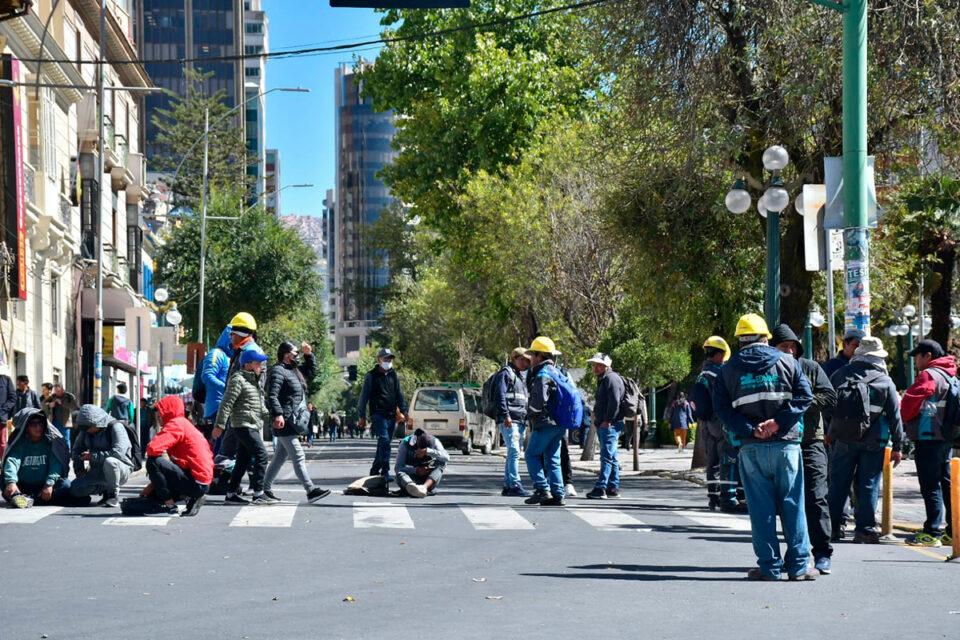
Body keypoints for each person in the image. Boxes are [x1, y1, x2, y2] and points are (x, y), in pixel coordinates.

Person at [714, 313, 816, 581]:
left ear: (739, 339)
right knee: (794, 505)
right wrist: (778, 423)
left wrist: (751, 429)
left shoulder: (727, 369)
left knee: (760, 509)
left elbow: (722, 409)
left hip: (751, 448)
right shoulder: (787, 362)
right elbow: (806, 396)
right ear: (766, 337)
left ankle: (769, 567)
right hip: (787, 446)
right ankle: (799, 567)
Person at [771, 324, 839, 574]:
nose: (788, 351)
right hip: (780, 442)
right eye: (783, 347)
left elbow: (830, 398)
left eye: (792, 347)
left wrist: (800, 401)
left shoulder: (809, 367)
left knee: (816, 495)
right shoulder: (768, 370)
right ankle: (794, 553)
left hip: (811, 441)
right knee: (786, 500)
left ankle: (822, 552)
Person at [826, 336, 903, 548]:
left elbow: (827, 406)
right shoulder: (885, 381)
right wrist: (898, 447)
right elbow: (895, 417)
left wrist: (828, 433)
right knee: (869, 484)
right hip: (874, 441)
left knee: (838, 483)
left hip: (842, 439)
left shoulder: (839, 374)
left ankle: (832, 527)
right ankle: (865, 530)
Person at [900, 338, 956, 547]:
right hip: (945, 436)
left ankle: (932, 532)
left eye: (917, 355)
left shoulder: (928, 375)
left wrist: (906, 417)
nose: (915, 360)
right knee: (946, 484)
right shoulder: (950, 375)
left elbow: (909, 404)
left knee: (930, 485)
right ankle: (952, 531)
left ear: (928, 356)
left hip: (928, 436)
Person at [262, 341, 330, 504]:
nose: (297, 356)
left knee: (279, 458)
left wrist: (309, 355)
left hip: (291, 420)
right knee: (298, 455)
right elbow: (272, 395)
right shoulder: (278, 371)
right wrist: (278, 414)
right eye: (295, 353)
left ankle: (264, 489)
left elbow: (311, 371)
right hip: (284, 420)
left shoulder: (293, 370)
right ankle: (310, 489)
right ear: (286, 355)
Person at [213, 346, 271, 505]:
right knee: (261, 456)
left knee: (243, 461)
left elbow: (260, 406)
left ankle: (231, 494)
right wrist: (220, 425)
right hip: (242, 424)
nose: (261, 366)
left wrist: (273, 419)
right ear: (248, 364)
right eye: (259, 363)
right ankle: (258, 493)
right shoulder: (238, 379)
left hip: (252, 424)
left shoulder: (254, 382)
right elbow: (226, 403)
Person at [142, 395, 213, 517]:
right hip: (202, 480)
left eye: (160, 412)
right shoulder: (185, 423)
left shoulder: (175, 424)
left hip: (196, 481)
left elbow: (152, 449)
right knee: (152, 496)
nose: (158, 417)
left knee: (152, 461)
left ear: (168, 411)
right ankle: (190, 497)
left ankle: (169, 505)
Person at [691, 336, 737, 511]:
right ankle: (728, 495)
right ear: (719, 355)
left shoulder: (702, 374)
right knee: (728, 458)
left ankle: (713, 496)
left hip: (706, 424)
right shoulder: (721, 374)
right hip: (722, 422)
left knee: (712, 462)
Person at [2, 408, 80, 508]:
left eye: (40, 424)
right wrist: (11, 482)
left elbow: (56, 465)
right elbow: (12, 462)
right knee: (5, 485)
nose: (38, 427)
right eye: (34, 424)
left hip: (44, 485)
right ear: (26, 427)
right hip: (23, 485)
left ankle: (26, 499)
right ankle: (27, 497)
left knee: (65, 485)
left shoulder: (50, 443)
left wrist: (49, 484)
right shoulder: (20, 444)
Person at [523, 337, 567, 506]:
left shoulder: (542, 374)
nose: (530, 359)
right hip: (559, 424)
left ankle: (542, 489)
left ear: (540, 356)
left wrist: (529, 414)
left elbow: (539, 400)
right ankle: (558, 494)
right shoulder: (557, 372)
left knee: (531, 454)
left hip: (545, 423)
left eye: (532, 355)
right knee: (552, 458)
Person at [69, 405, 135, 508]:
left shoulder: (116, 427)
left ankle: (113, 495)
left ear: (97, 422)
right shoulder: (86, 431)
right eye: (84, 427)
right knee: (75, 489)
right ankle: (103, 489)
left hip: (120, 468)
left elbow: (118, 452)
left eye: (88, 427)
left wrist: (93, 456)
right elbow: (77, 450)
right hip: (97, 470)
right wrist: (79, 470)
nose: (86, 430)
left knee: (110, 461)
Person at [357, 348, 407, 479]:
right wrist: (361, 416)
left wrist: (404, 410)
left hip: (391, 415)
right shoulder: (371, 376)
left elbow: (399, 394)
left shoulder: (393, 375)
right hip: (378, 414)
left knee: (384, 443)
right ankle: (385, 471)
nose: (388, 361)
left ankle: (374, 469)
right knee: (384, 440)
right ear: (379, 360)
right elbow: (364, 397)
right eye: (385, 359)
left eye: (390, 359)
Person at [585, 353, 626, 500]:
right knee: (612, 456)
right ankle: (612, 487)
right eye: (594, 365)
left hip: (610, 424)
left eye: (599, 365)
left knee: (606, 456)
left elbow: (614, 401)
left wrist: (607, 420)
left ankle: (601, 487)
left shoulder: (611, 378)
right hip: (608, 423)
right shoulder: (605, 379)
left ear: (606, 366)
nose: (595, 368)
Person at [494, 347, 532, 497]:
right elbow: (500, 396)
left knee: (513, 452)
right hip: (510, 420)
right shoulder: (505, 373)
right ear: (514, 358)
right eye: (522, 359)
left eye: (527, 360)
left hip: (520, 420)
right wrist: (506, 415)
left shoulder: (520, 376)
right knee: (515, 451)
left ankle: (508, 485)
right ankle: (515, 484)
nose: (525, 363)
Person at [199, 326, 237, 442]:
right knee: (220, 448)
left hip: (224, 407)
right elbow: (207, 376)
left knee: (224, 447)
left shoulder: (229, 356)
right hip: (217, 408)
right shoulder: (216, 353)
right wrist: (227, 389)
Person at [395, 428, 449, 498]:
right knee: (399, 473)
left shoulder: (435, 441)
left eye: (423, 451)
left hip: (428, 479)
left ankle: (423, 488)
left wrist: (428, 451)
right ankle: (411, 487)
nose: (422, 454)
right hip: (411, 478)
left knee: (442, 462)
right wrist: (416, 471)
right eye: (420, 450)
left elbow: (447, 457)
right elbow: (398, 467)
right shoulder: (405, 444)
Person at [43, 383, 78, 450]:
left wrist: (61, 403)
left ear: (62, 390)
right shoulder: (53, 397)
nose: (57, 393)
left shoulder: (69, 396)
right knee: (55, 439)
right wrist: (49, 405)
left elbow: (73, 407)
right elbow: (44, 405)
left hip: (65, 422)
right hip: (54, 422)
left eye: (58, 391)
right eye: (55, 391)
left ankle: (67, 453)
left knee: (65, 439)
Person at [0, 366, 15, 458]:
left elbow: (12, 398)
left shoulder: (6, 379)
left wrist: (2, 411)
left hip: (0, 417)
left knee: (2, 443)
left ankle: (2, 465)